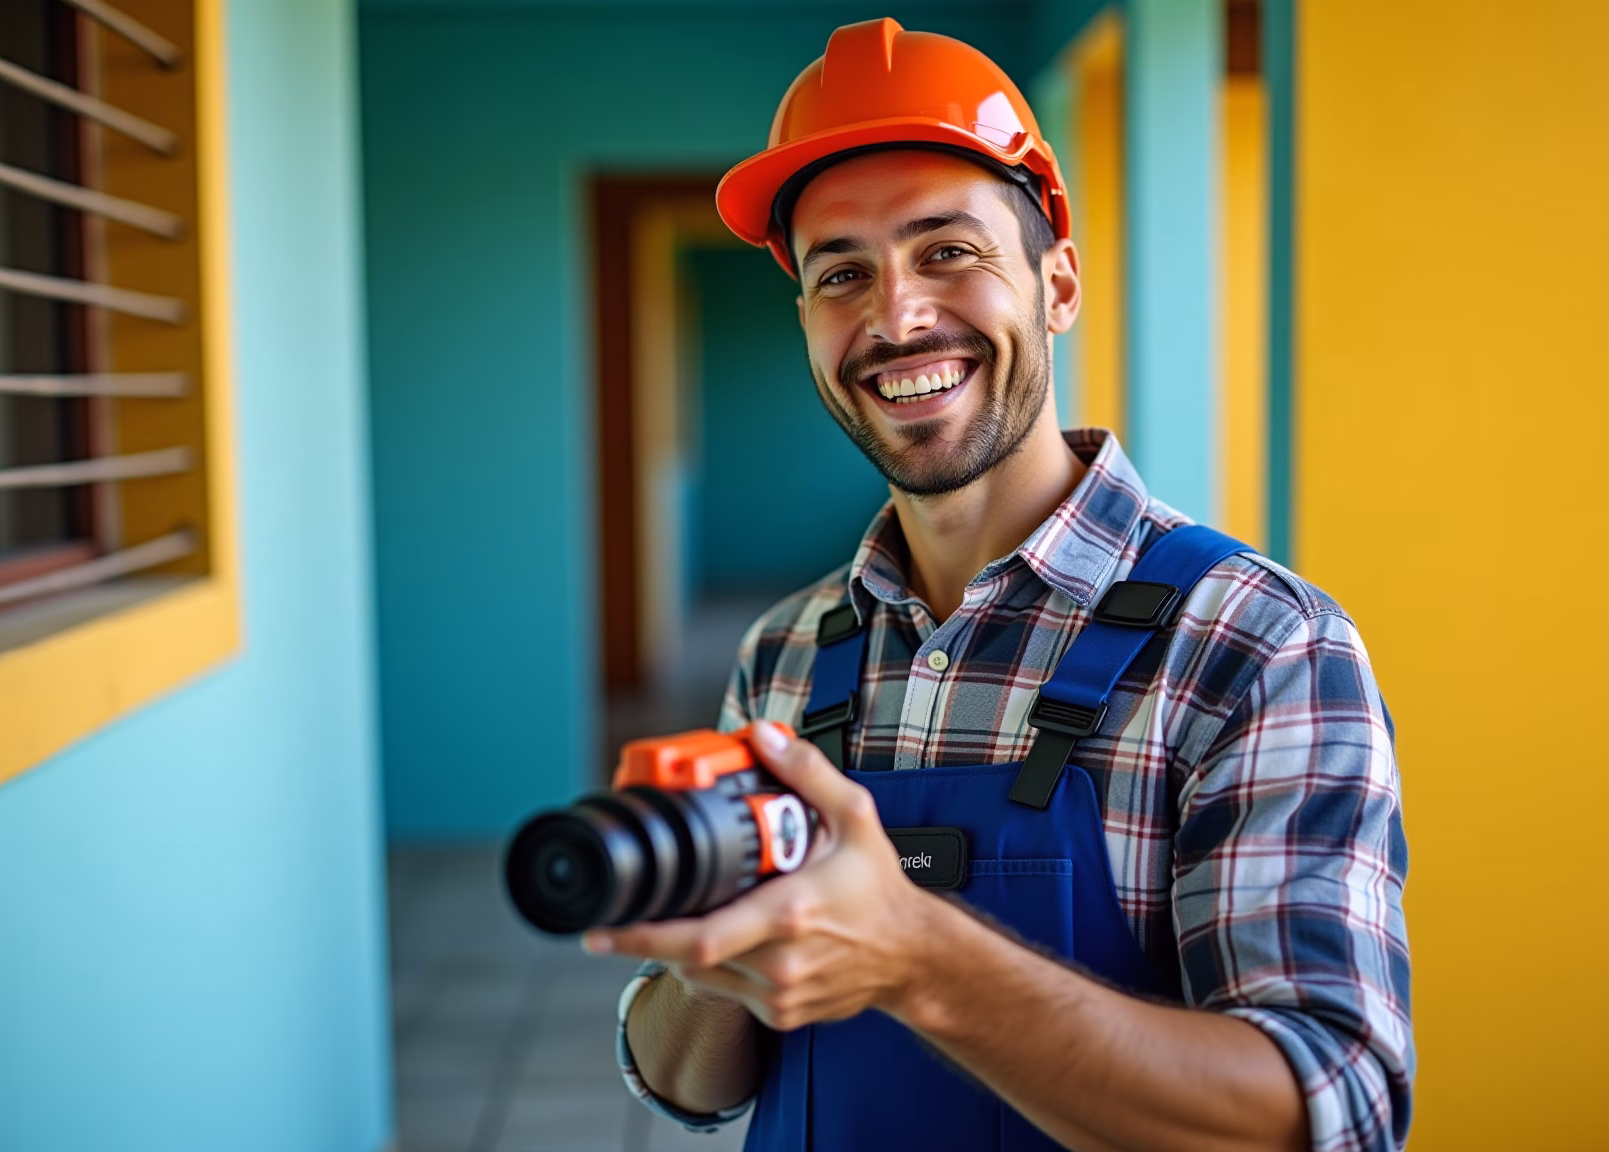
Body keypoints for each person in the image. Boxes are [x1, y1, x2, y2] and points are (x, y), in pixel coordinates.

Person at [583, 18, 1413, 1152]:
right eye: (841, 274)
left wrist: (918, 956)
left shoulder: (1257, 646)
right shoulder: (783, 651)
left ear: (1055, 282)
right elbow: (690, 1086)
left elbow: (1331, 1114)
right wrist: (716, 950)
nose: (894, 316)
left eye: (947, 251)